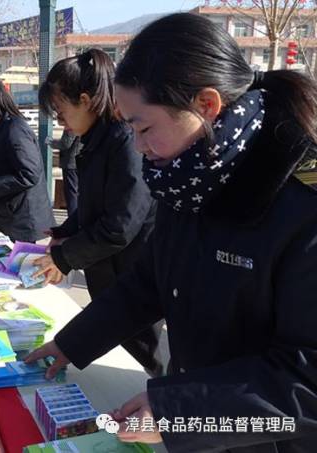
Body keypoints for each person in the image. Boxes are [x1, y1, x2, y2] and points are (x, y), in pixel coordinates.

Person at [28, 13, 317, 452]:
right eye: (131, 129)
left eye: (145, 128)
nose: (139, 147)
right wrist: (71, 343)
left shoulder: (300, 204)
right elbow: (151, 283)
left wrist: (179, 410)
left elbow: (306, 379)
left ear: (206, 105)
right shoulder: (188, 176)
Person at [33, 48, 163, 377]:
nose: (59, 120)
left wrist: (65, 258)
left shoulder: (123, 141)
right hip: (111, 276)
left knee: (139, 366)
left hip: (133, 277)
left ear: (86, 100)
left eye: (61, 111)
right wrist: (65, 231)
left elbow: (120, 223)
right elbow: (96, 203)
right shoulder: (96, 140)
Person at [0, 82, 55, 242]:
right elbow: (1, 168)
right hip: (10, 214)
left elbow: (29, 174)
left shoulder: (15, 130)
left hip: (24, 219)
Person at [47, 129, 80, 216]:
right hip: (81, 161)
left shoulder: (72, 122)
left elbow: (66, 143)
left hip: (71, 163)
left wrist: (51, 142)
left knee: (71, 194)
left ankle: (73, 220)